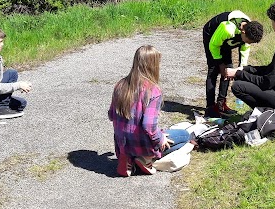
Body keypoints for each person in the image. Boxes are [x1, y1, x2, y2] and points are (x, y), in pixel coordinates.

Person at [108, 45, 190, 177]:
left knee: (165, 135)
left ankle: (127, 159)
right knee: (184, 136)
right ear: (153, 65)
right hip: (142, 146)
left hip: (123, 145)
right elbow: (148, 125)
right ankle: (145, 159)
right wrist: (160, 138)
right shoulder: (153, 90)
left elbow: (111, 115)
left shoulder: (120, 85)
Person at [226, 1, 275, 118]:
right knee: (244, 80)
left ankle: (266, 113)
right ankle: (265, 111)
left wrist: (238, 74)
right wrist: (246, 69)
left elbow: (267, 82)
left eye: (272, 20)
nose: (272, 23)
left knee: (238, 86)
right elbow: (272, 69)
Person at [202, 11, 264, 117]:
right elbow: (214, 45)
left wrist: (241, 69)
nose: (248, 44)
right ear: (243, 32)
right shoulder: (228, 29)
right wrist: (220, 63)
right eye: (248, 41)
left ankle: (221, 104)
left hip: (225, 39)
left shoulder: (250, 30)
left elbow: (244, 51)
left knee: (229, 69)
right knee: (213, 69)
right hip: (212, 35)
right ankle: (210, 108)